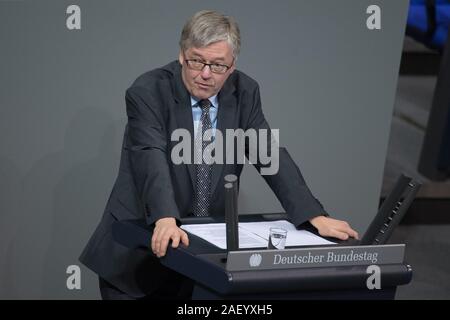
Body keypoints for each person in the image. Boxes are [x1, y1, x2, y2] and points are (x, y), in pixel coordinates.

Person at [79, 10, 359, 300]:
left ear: (232, 65)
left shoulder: (245, 92)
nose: (205, 74)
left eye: (217, 65)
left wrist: (312, 214)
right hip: (137, 261)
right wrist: (164, 217)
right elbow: (151, 157)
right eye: (196, 61)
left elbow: (267, 151)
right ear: (181, 55)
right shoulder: (148, 91)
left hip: (200, 263)